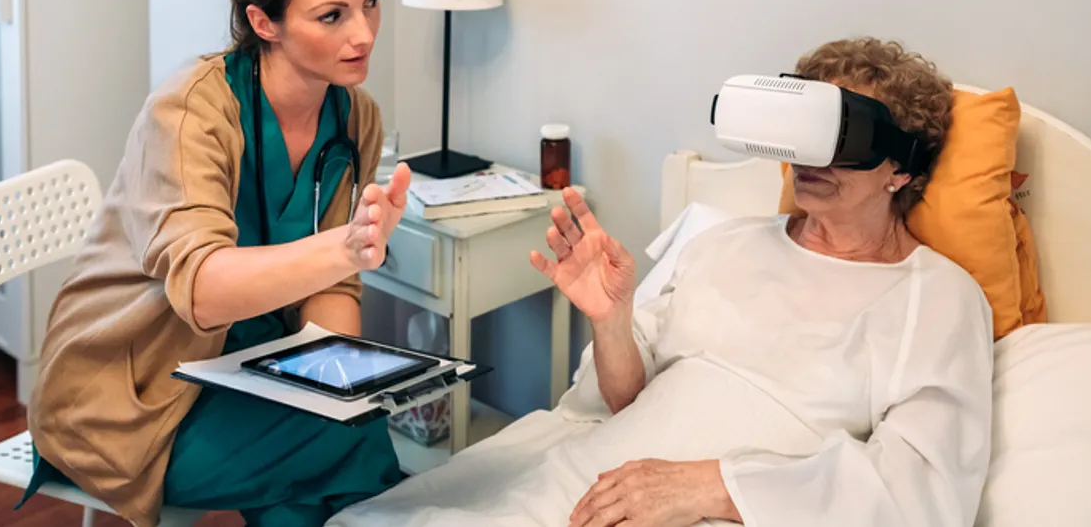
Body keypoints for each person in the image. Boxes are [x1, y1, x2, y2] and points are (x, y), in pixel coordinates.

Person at [324, 37, 994, 527]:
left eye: (842, 137)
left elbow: (921, 490)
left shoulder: (934, 297)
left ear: (901, 169)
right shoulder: (725, 241)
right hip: (591, 477)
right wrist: (612, 318)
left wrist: (707, 487)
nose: (811, 159)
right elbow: (624, 397)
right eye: (806, 132)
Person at [19, 0, 411, 527]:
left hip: (251, 365)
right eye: (332, 15)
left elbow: (333, 284)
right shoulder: (189, 112)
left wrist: (337, 378)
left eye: (371, 3)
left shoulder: (353, 117)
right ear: (265, 23)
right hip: (133, 391)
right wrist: (346, 245)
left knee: (346, 430)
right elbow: (200, 292)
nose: (364, 33)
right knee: (348, 447)